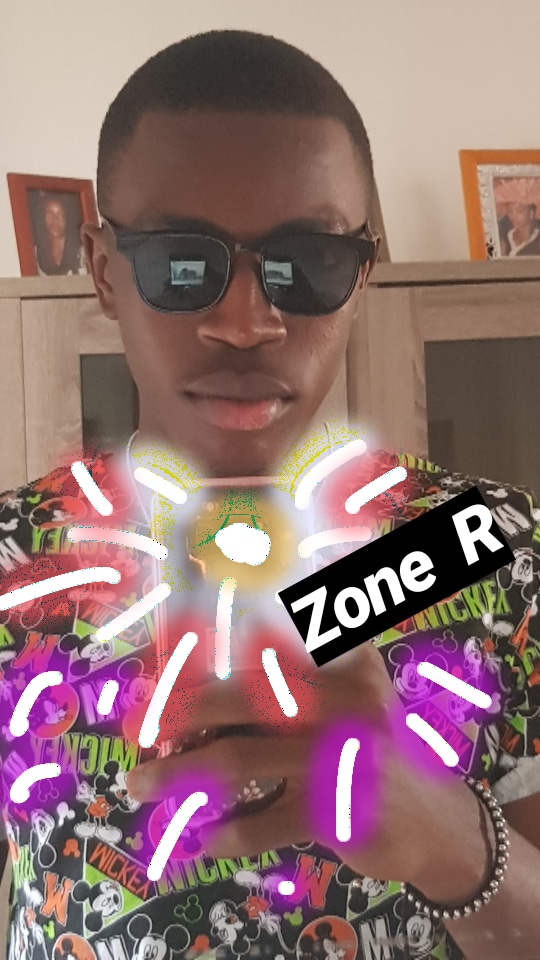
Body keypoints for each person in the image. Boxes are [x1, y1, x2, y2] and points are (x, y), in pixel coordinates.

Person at [1, 31, 540, 960]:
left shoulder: (490, 544)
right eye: (180, 263)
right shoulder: (15, 561)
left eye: (308, 260)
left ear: (361, 275)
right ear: (101, 268)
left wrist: (449, 836)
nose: (246, 322)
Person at [33, 193, 84, 275]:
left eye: (60, 215)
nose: (55, 220)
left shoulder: (81, 251)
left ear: (67, 218)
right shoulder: (34, 253)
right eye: (50, 214)